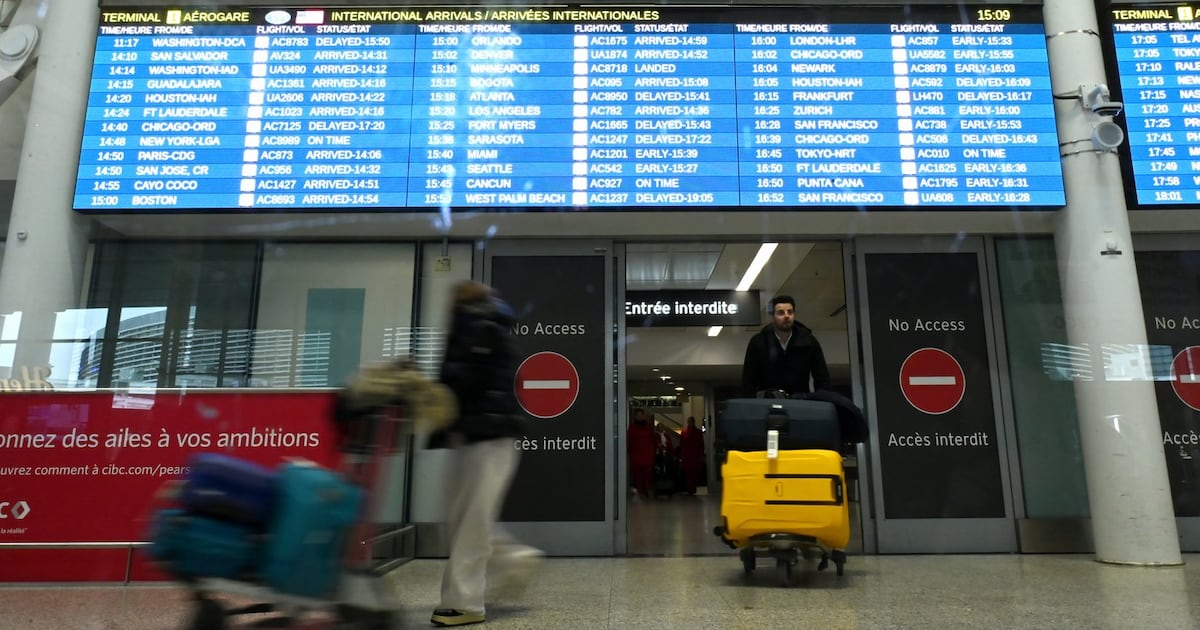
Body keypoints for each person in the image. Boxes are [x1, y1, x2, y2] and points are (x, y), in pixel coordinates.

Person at [427, 280, 543, 627]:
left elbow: (465, 379)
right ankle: (515, 558)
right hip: (474, 435)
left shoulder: (480, 326)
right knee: (462, 520)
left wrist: (427, 391)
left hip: (489, 438)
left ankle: (465, 603)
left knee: (470, 524)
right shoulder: (481, 325)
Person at [741, 295, 832, 397]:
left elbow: (822, 379)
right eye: (781, 313)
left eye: (790, 312)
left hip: (800, 403)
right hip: (768, 404)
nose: (786, 316)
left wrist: (822, 404)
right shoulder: (758, 342)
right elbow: (748, 381)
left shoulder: (809, 342)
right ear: (773, 317)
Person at [626, 408, 657, 497]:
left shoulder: (648, 428)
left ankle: (646, 492)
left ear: (644, 416)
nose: (640, 417)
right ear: (635, 416)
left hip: (647, 457)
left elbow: (653, 442)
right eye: (638, 415)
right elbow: (629, 443)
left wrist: (652, 454)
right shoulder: (632, 428)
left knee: (647, 477)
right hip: (636, 458)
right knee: (638, 477)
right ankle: (641, 493)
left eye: (641, 415)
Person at [679, 416, 705, 495]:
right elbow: (682, 445)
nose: (689, 423)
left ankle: (692, 488)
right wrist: (681, 456)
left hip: (695, 456)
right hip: (687, 456)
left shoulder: (697, 432)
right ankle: (690, 489)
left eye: (690, 422)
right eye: (688, 422)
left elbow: (701, 444)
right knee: (688, 473)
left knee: (694, 473)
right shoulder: (684, 432)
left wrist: (701, 455)